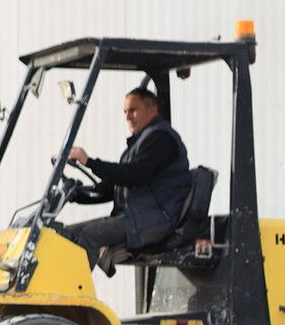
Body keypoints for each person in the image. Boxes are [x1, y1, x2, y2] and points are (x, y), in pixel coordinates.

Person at [61, 87, 191, 272]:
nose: (128, 117)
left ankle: (74, 288)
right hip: (135, 215)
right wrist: (76, 195)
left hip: (156, 219)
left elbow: (134, 175)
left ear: (152, 110)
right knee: (67, 234)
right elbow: (112, 188)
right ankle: (58, 285)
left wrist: (89, 162)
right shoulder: (139, 144)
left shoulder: (161, 139)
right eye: (125, 112)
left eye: (133, 110)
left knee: (91, 235)